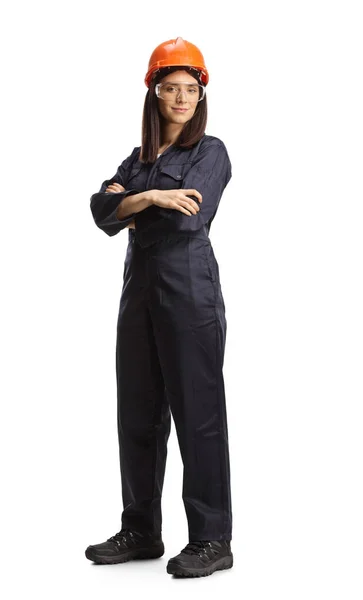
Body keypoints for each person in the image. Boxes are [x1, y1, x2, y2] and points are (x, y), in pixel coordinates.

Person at [85, 37, 233, 578]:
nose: (179, 98)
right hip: (139, 295)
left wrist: (130, 204)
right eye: (169, 89)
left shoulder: (210, 152)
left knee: (199, 417)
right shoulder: (139, 158)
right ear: (153, 94)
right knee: (138, 415)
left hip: (189, 292)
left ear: (200, 96)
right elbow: (100, 212)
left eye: (188, 90)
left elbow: (189, 217)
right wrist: (149, 197)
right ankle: (141, 529)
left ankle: (213, 540)